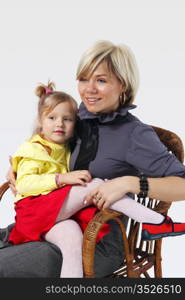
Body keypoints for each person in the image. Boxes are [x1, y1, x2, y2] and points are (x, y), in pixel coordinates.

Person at [2, 40, 185, 278]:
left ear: (123, 85)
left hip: (96, 244)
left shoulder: (134, 135)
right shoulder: (75, 117)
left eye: (101, 80)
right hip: (51, 222)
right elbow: (43, 148)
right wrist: (20, 171)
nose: (89, 89)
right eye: (83, 79)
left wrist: (129, 183)